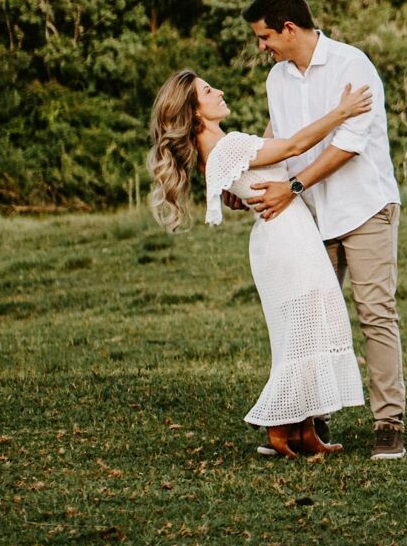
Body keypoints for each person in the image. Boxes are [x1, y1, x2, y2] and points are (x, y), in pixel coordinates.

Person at [146, 70, 371, 457]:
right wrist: (342, 111)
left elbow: (265, 153)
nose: (219, 91)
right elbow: (292, 146)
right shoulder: (226, 145)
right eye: (207, 90)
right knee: (304, 328)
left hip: (288, 235)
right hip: (286, 239)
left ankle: (306, 433)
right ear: (195, 112)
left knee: (307, 328)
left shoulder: (218, 147)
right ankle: (279, 428)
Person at [240, 0, 407, 461]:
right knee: (309, 317)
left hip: (364, 207)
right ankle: (310, 418)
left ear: (289, 28)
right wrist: (248, 184)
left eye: (265, 36)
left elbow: (348, 145)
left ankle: (388, 422)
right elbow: (279, 141)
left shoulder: (352, 66)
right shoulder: (277, 79)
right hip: (312, 214)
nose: (262, 46)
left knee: (375, 312)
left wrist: (291, 188)